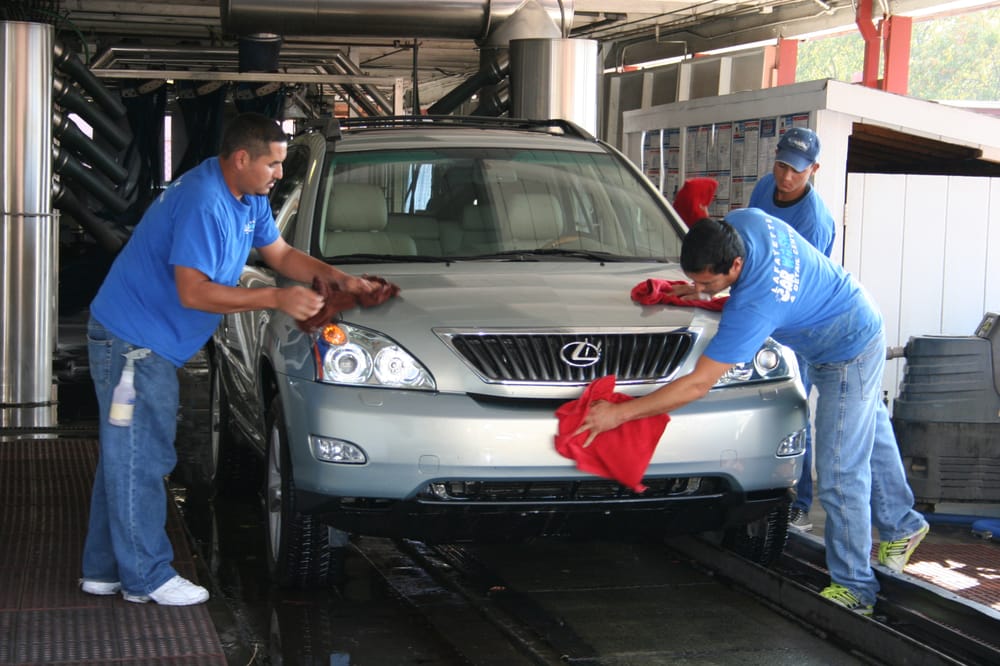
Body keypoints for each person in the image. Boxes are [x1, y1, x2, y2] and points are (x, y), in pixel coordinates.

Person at [81, 112, 378, 606]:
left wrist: (334, 277)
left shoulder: (247, 197)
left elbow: (280, 255)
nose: (279, 174)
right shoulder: (203, 202)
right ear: (242, 158)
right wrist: (276, 300)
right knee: (143, 458)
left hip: (150, 341)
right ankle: (146, 579)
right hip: (133, 344)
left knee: (125, 455)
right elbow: (194, 293)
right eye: (273, 164)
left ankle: (103, 569)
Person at [575, 208, 929, 615]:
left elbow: (697, 384)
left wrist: (620, 415)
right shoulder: (745, 222)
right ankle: (904, 525)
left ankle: (855, 588)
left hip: (846, 349)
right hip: (845, 315)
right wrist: (702, 290)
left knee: (839, 469)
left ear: (736, 264)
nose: (701, 290)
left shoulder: (755, 305)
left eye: (708, 282)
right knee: (869, 437)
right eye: (695, 280)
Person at [748, 126, 837, 532]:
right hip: (764, 305)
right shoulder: (764, 188)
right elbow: (752, 243)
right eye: (782, 165)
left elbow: (802, 287)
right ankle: (759, 492)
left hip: (800, 318)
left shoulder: (814, 222)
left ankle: (799, 502)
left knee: (793, 408)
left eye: (797, 171)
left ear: (814, 169)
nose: (786, 177)